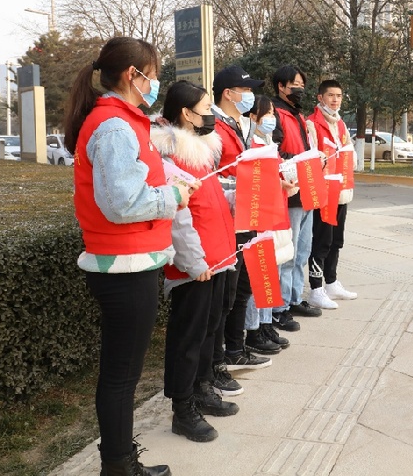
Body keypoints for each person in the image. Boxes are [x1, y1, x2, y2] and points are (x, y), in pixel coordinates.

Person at [64, 36, 189, 475]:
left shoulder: (123, 120)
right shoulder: (115, 126)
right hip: (125, 265)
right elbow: (121, 203)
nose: (157, 82)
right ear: (132, 76)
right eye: (153, 74)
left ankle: (119, 462)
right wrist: (173, 194)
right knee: (121, 376)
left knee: (123, 373)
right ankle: (118, 466)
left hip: (130, 261)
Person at [152, 80, 240, 443]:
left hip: (218, 254)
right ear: (186, 114)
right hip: (195, 262)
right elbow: (179, 216)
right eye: (206, 110)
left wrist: (255, 192)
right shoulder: (168, 154)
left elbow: (215, 198)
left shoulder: (201, 149)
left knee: (209, 329)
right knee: (187, 338)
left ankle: (203, 386)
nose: (211, 117)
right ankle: (182, 407)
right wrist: (192, 261)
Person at [210, 65, 272, 393]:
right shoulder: (216, 127)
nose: (249, 96)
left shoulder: (236, 124)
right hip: (229, 218)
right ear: (228, 93)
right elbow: (218, 175)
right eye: (244, 90)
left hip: (246, 214)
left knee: (243, 287)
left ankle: (235, 348)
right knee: (226, 294)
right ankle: (218, 360)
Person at [240, 94, 293, 354]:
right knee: (257, 274)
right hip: (259, 216)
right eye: (267, 113)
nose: (272, 118)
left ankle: (264, 322)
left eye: (273, 113)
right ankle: (253, 329)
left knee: (269, 272)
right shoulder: (252, 143)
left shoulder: (268, 142)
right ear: (253, 117)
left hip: (273, 213)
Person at [271, 65, 322, 331]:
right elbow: (275, 153)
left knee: (302, 251)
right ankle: (278, 307)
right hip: (289, 192)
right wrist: (300, 162)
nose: (299, 88)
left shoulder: (298, 115)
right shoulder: (275, 114)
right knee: (287, 253)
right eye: (295, 84)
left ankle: (292, 299)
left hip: (307, 190)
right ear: (281, 86)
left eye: (302, 84)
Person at [306, 79, 357, 309]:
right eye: (330, 96)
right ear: (320, 98)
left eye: (338, 96)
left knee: (336, 240)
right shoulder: (312, 124)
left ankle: (332, 282)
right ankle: (316, 288)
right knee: (321, 241)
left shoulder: (341, 125)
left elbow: (350, 153)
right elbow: (311, 159)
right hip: (324, 194)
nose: (335, 100)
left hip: (342, 191)